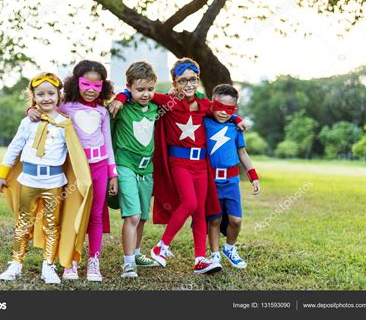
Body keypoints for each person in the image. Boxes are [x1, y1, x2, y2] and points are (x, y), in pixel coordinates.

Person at [110, 57, 247, 274]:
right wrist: (119, 96)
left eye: (193, 79)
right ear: (175, 83)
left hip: (201, 164)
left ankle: (200, 259)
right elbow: (136, 92)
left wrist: (237, 119)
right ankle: (161, 246)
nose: (189, 84)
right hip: (179, 163)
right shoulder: (168, 102)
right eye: (183, 81)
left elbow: (223, 111)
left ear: (198, 79)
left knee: (200, 211)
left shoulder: (204, 104)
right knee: (190, 202)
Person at [0, 72, 92, 284]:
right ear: (33, 96)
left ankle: (48, 266)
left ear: (59, 96)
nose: (46, 98)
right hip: (29, 181)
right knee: (23, 224)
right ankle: (16, 263)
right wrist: (3, 174)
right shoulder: (27, 122)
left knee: (52, 225)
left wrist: (83, 179)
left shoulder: (65, 123)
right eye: (40, 94)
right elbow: (14, 147)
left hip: (54, 183)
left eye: (51, 93)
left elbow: (75, 153)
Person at [28, 60, 117, 282]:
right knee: (73, 215)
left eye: (97, 86)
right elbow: (44, 107)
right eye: (86, 84)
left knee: (96, 215)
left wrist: (112, 173)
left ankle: (94, 261)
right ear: (76, 83)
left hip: (99, 167)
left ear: (103, 87)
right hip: (75, 168)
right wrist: (30, 109)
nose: (90, 90)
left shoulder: (103, 112)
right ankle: (71, 261)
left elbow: (108, 141)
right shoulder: (65, 107)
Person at [110, 61, 160, 278]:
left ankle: (137, 254)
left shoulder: (157, 108)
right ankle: (128, 262)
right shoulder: (120, 108)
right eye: (140, 89)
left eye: (150, 89)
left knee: (142, 217)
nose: (146, 94)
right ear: (128, 86)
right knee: (132, 215)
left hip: (146, 169)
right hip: (125, 166)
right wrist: (120, 98)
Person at [205, 84, 260, 269]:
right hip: (211, 181)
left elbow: (242, 153)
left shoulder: (235, 128)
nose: (223, 112)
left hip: (232, 181)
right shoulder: (204, 122)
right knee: (214, 219)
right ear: (212, 103)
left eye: (229, 109)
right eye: (219, 106)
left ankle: (229, 248)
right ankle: (214, 255)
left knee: (236, 220)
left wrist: (253, 177)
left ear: (235, 109)